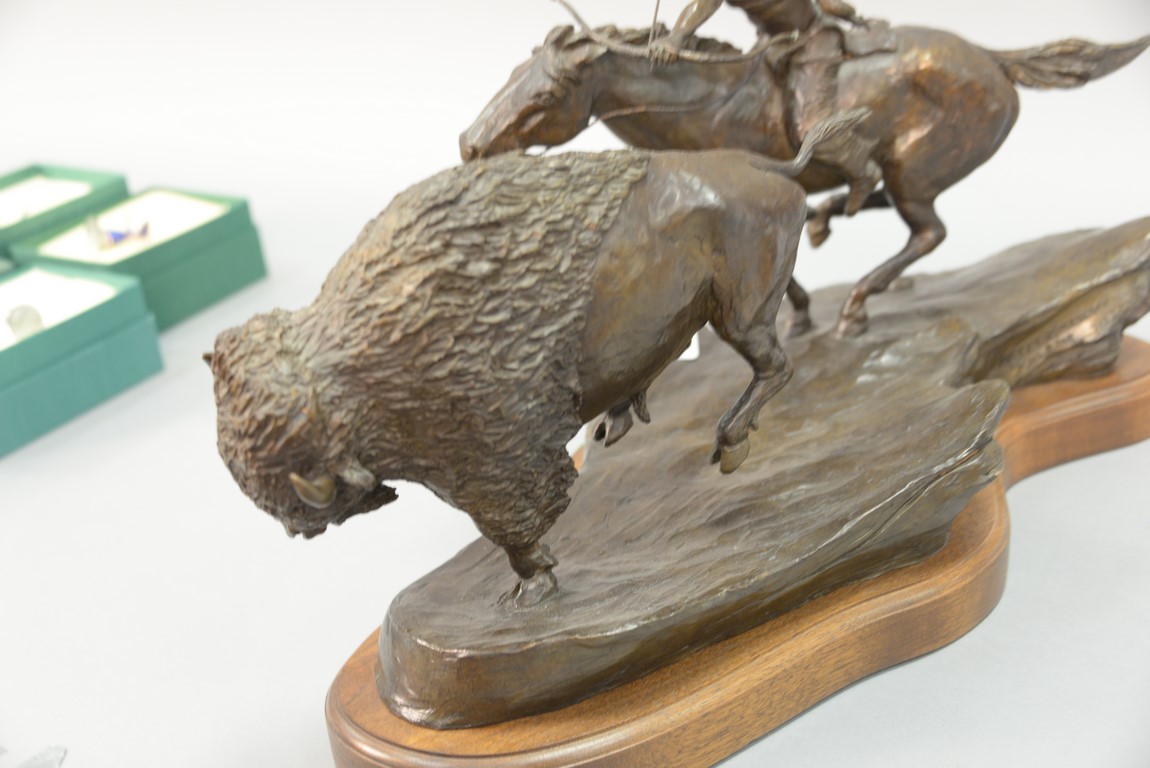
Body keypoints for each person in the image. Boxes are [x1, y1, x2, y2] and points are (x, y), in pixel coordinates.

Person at [651, 0, 882, 215]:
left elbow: (831, 5)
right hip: (774, 43)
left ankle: (863, 170)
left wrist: (854, 18)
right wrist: (675, 37)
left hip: (812, 41)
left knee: (808, 126)